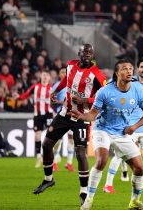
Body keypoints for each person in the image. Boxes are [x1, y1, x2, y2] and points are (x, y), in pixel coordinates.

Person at [70, 59, 143, 210]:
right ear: (117, 73)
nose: (129, 71)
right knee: (101, 160)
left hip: (122, 134)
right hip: (103, 130)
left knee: (140, 168)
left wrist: (134, 126)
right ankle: (88, 200)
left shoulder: (137, 91)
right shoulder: (105, 91)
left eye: (130, 68)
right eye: (124, 69)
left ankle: (134, 202)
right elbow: (93, 114)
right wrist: (82, 116)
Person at [32, 43, 106, 208]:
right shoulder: (71, 65)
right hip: (64, 113)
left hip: (81, 117)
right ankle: (48, 179)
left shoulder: (97, 74)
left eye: (90, 52)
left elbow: (106, 96)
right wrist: (55, 90)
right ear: (79, 54)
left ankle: (84, 191)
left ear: (92, 55)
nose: (87, 54)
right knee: (46, 143)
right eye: (84, 52)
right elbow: (66, 80)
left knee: (80, 154)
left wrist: (85, 101)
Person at [103, 57, 143, 194]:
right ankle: (108, 185)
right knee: (119, 155)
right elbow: (111, 85)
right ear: (138, 69)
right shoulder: (130, 82)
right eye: (142, 67)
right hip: (130, 128)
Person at [18, 71, 53, 168]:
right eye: (43, 75)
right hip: (37, 115)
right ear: (41, 76)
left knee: (51, 135)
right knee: (37, 135)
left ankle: (51, 157)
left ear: (49, 78)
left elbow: (58, 99)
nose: (45, 77)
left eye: (47, 75)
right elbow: (26, 94)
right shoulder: (35, 87)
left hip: (48, 114)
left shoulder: (52, 88)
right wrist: (19, 97)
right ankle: (39, 157)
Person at [51, 68, 75, 172]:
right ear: (59, 75)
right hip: (60, 114)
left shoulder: (73, 85)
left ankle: (69, 163)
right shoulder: (57, 86)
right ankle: (55, 161)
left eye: (66, 72)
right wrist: (60, 104)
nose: (64, 73)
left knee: (71, 139)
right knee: (58, 140)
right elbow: (52, 100)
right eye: (62, 72)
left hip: (72, 114)